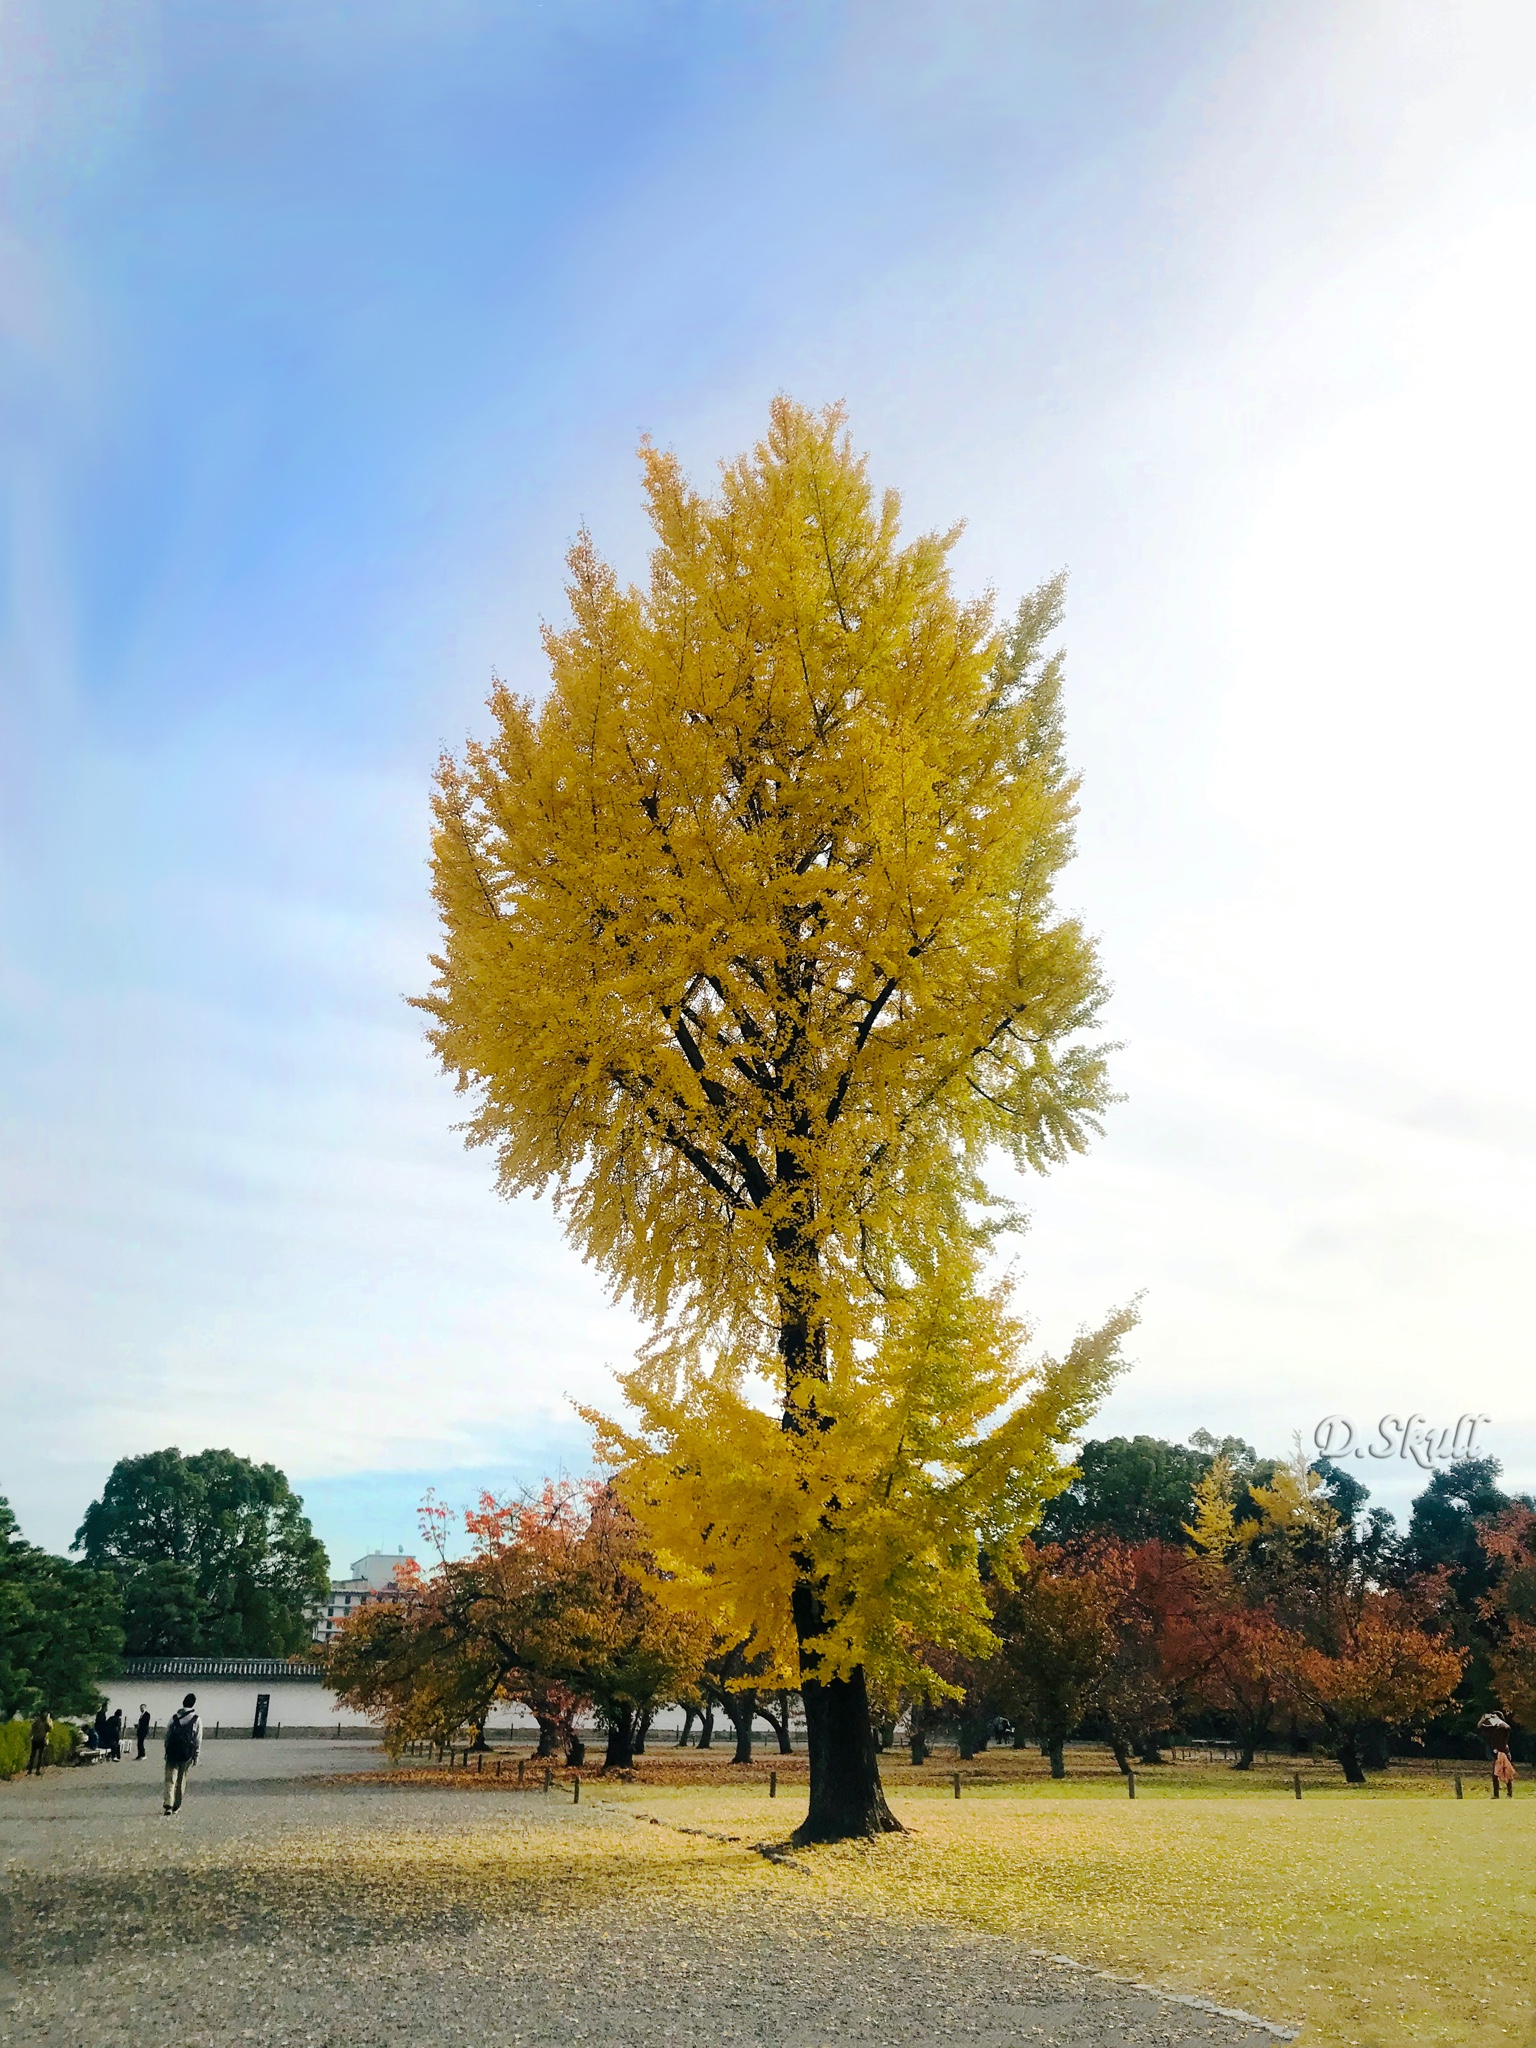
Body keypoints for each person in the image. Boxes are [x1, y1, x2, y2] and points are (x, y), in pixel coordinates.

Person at [163, 1692, 201, 1814]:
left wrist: (166, 1749)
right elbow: (197, 1739)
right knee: (181, 1779)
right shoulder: (196, 1719)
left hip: (172, 1752)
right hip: (186, 1754)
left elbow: (167, 1734)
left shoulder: (174, 1717)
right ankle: (176, 1805)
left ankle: (168, 1804)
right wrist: (196, 1755)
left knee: (170, 1779)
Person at [26, 1709, 52, 1775]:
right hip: (38, 1740)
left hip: (38, 1739)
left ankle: (33, 1770)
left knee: (36, 1755)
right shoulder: (41, 1722)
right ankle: (34, 1770)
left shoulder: (41, 1722)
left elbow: (48, 1730)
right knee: (36, 1755)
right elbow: (49, 1729)